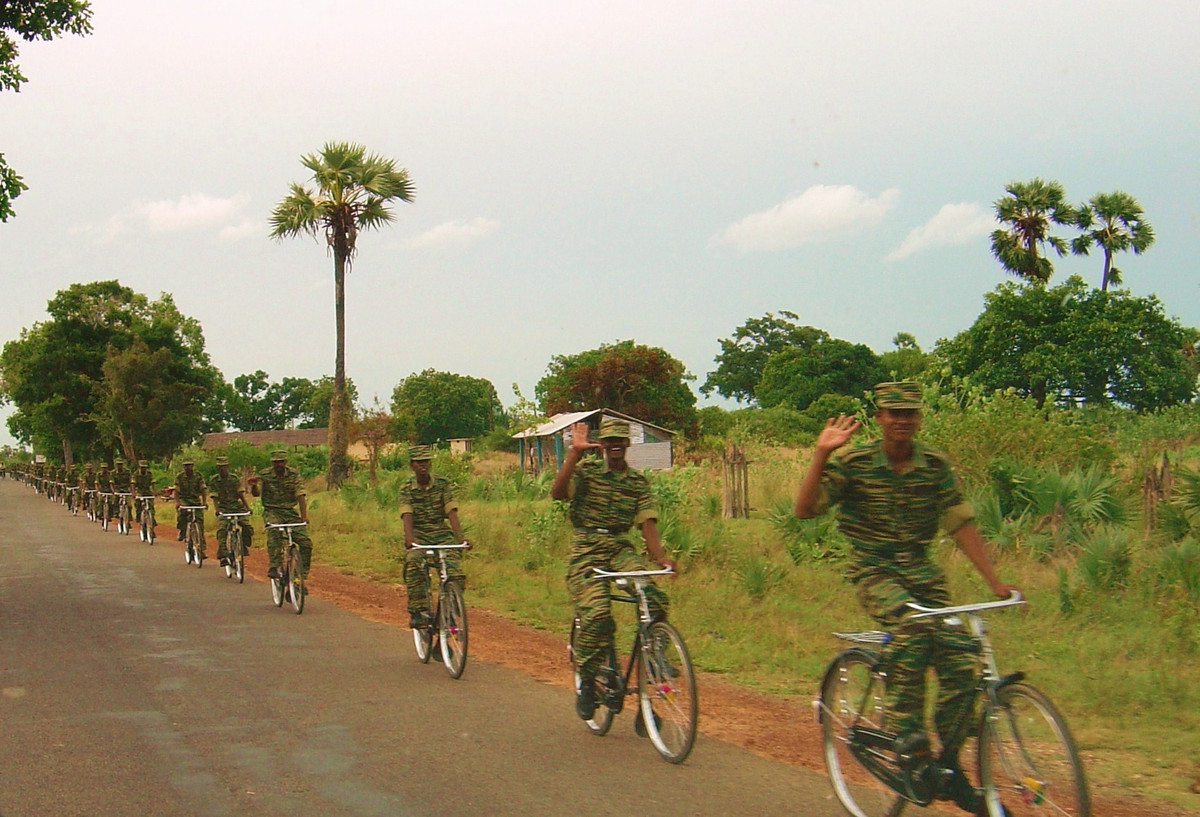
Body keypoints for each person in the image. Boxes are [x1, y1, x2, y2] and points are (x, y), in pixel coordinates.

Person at [793, 381, 1018, 816]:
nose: (902, 421)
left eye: (909, 413)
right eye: (893, 413)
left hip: (922, 572)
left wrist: (994, 582)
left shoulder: (934, 464)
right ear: (879, 418)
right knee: (914, 627)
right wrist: (821, 453)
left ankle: (948, 769)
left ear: (920, 418)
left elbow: (960, 522)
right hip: (874, 570)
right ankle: (903, 733)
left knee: (961, 659)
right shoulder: (855, 462)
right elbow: (805, 509)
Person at [550, 417, 676, 721]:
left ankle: (656, 658)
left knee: (651, 594)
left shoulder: (637, 482)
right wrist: (574, 453)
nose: (615, 445)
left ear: (628, 443)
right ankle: (588, 682)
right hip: (587, 550)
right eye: (610, 440)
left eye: (621, 440)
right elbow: (557, 493)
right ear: (602, 445)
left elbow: (646, 521)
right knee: (597, 615)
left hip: (620, 548)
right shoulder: (588, 472)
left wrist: (661, 559)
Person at [399, 445, 469, 629]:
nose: (423, 466)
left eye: (426, 461)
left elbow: (451, 511)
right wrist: (410, 539)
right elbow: (407, 514)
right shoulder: (406, 488)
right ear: (412, 465)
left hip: (442, 534)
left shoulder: (442, 484)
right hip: (419, 534)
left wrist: (461, 539)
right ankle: (418, 611)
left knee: (456, 574)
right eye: (418, 462)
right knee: (414, 562)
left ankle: (449, 614)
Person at [248, 450, 312, 580]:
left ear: (286, 462)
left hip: (289, 511)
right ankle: (274, 566)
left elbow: (300, 494)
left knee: (306, 543)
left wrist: (304, 516)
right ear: (272, 463)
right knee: (274, 533)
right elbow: (256, 493)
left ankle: (300, 578)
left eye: (281, 462)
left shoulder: (293, 474)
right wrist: (253, 486)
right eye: (276, 462)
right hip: (272, 511)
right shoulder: (265, 474)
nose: (279, 465)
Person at [208, 455, 252, 566]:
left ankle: (243, 545)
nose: (223, 469)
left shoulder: (234, 478)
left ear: (227, 467)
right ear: (217, 468)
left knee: (247, 526)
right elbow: (214, 497)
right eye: (220, 467)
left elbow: (240, 493)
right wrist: (217, 510)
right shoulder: (214, 480)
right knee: (222, 529)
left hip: (237, 506)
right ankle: (223, 554)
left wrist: (247, 508)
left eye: (224, 466)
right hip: (223, 507)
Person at [174, 458, 208, 557]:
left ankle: (201, 549)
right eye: (185, 465)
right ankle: (182, 531)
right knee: (182, 515)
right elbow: (176, 491)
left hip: (195, 501)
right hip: (184, 500)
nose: (187, 467)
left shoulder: (198, 476)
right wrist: (177, 502)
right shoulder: (180, 477)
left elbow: (203, 490)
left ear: (192, 466)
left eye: (189, 465)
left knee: (199, 524)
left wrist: (204, 502)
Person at [133, 459, 156, 538]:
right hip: (139, 492)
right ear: (139, 467)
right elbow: (132, 484)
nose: (143, 469)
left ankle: (151, 528)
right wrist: (134, 493)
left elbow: (153, 483)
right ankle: (140, 520)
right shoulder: (135, 474)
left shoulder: (149, 474)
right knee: (138, 506)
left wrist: (154, 492)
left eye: (144, 467)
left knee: (151, 509)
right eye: (142, 467)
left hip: (147, 492)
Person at [111, 458, 133, 523]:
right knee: (115, 500)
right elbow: (111, 483)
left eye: (120, 464)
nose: (119, 466)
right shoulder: (113, 473)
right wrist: (113, 491)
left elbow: (131, 482)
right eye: (118, 464)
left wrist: (131, 491)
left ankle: (128, 518)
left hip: (126, 489)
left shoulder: (127, 471)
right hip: (117, 489)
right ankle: (116, 513)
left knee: (129, 505)